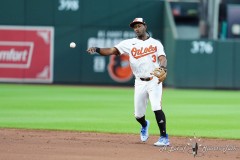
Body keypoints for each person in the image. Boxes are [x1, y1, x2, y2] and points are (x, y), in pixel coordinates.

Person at [86, 18, 169, 146]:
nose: (136, 28)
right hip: (140, 82)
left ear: (145, 26)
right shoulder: (129, 43)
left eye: (139, 25)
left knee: (156, 107)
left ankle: (164, 137)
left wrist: (163, 68)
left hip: (154, 80)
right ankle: (144, 124)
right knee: (138, 115)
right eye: (134, 26)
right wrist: (97, 49)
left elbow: (162, 58)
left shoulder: (156, 43)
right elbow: (111, 51)